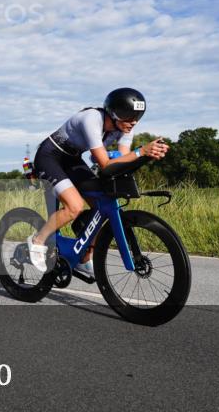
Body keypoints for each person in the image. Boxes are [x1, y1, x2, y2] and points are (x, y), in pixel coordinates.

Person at [25, 88, 170, 277]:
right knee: (74, 206)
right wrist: (141, 152)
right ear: (113, 112)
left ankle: (84, 256)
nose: (133, 121)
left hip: (72, 159)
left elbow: (123, 162)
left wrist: (146, 156)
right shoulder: (92, 119)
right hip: (50, 156)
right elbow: (105, 164)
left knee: (101, 204)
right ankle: (37, 240)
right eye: (128, 115)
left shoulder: (125, 129)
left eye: (137, 116)